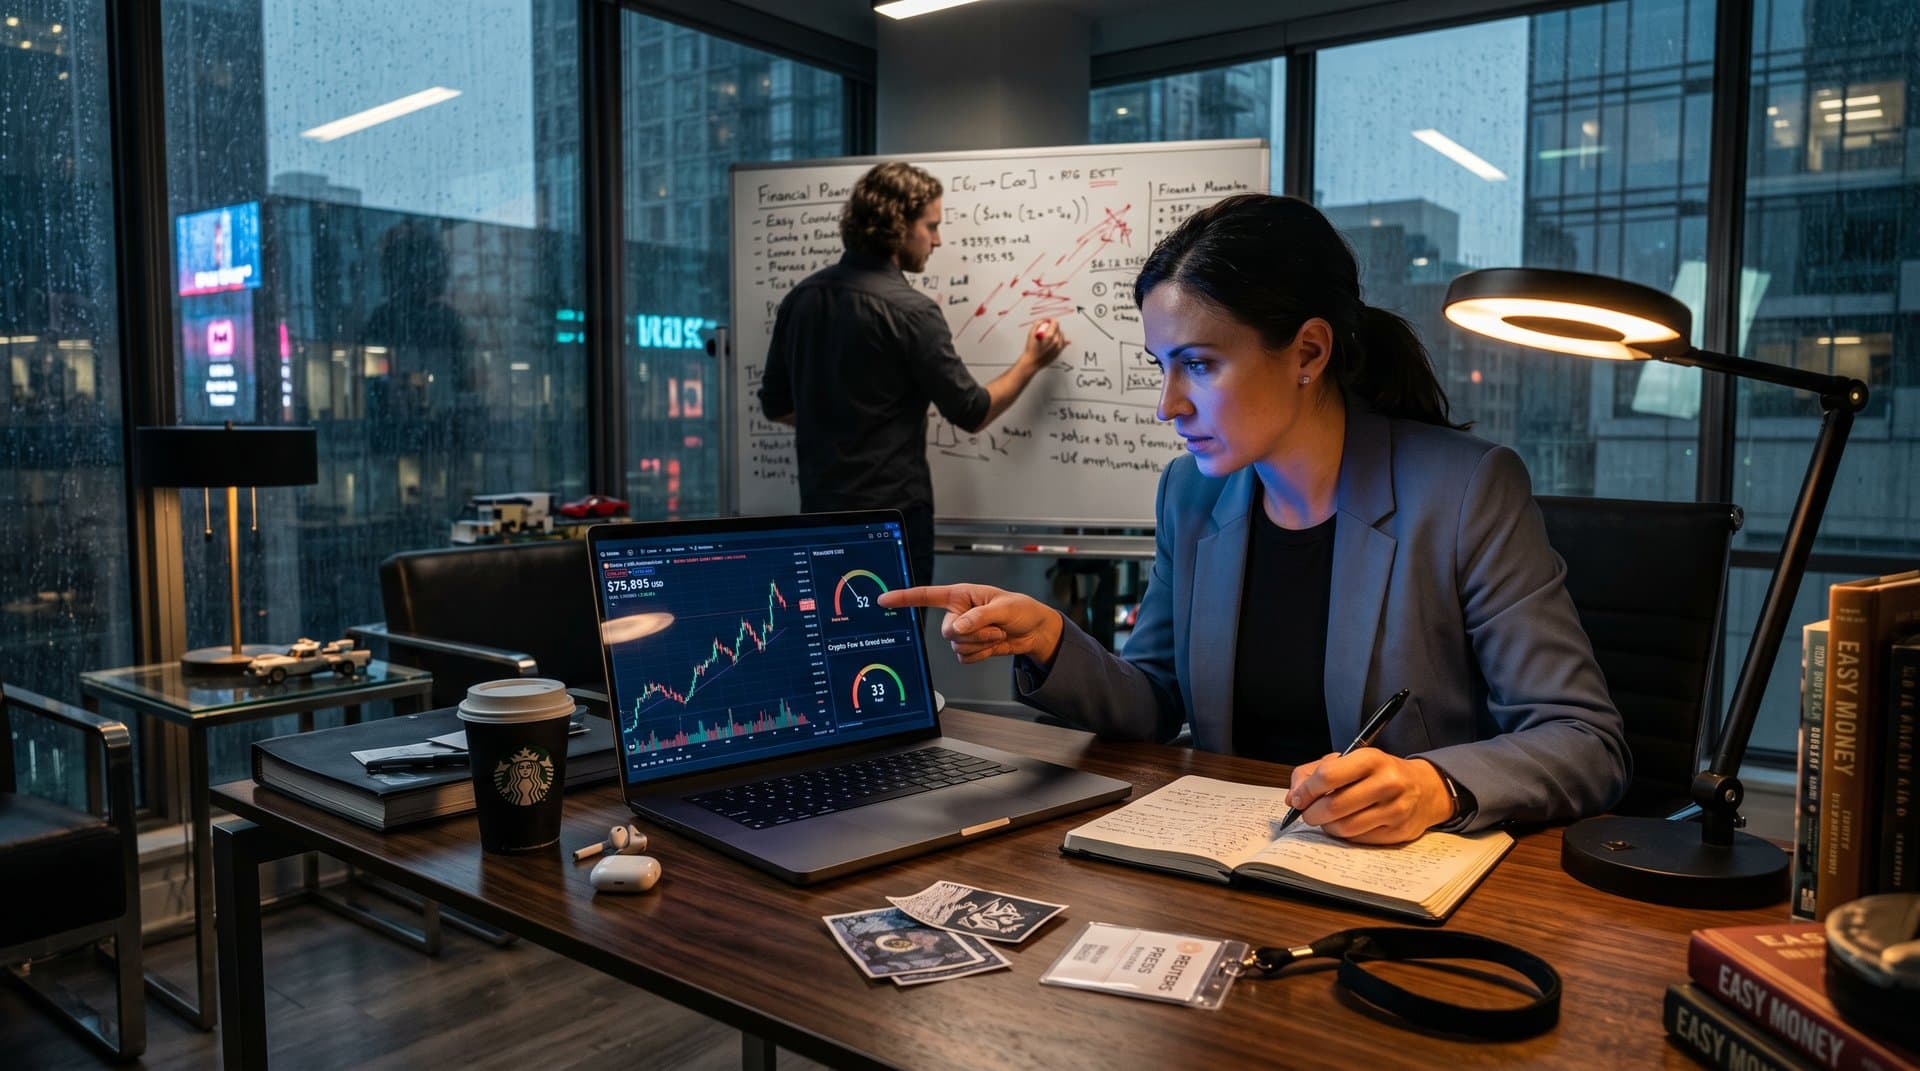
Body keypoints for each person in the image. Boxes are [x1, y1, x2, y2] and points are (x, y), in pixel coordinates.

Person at [879, 194, 1629, 845]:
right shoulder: (1191, 494)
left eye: (1199, 365)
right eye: (1160, 367)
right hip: (1228, 863)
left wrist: (1437, 785)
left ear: (1307, 352)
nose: (1168, 405)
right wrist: (1051, 642)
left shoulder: (1466, 489)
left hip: (1401, 889)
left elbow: (1585, 740)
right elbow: (1154, 700)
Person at [758, 162, 1069, 587]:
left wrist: (837, 415)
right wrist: (1031, 362)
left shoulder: (801, 299)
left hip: (820, 518)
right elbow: (972, 411)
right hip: (892, 523)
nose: (937, 240)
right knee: (896, 645)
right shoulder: (912, 312)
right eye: (931, 226)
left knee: (831, 645)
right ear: (897, 226)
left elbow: (776, 406)